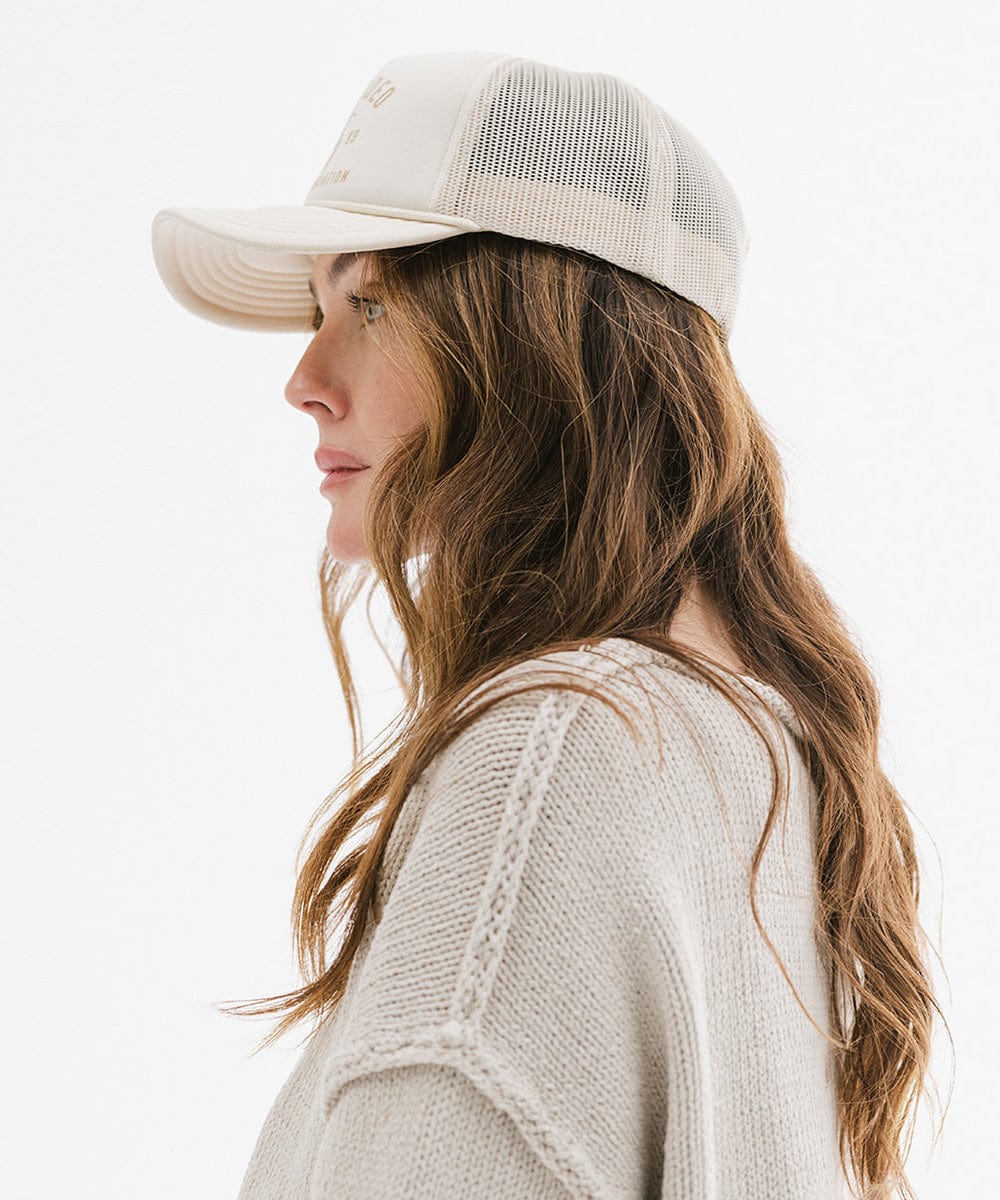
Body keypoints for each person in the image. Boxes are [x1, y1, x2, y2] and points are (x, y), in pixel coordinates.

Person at [151, 50, 945, 1200]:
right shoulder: (760, 753)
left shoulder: (552, 758)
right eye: (320, 306)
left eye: (369, 302)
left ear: (539, 332)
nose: (305, 377)